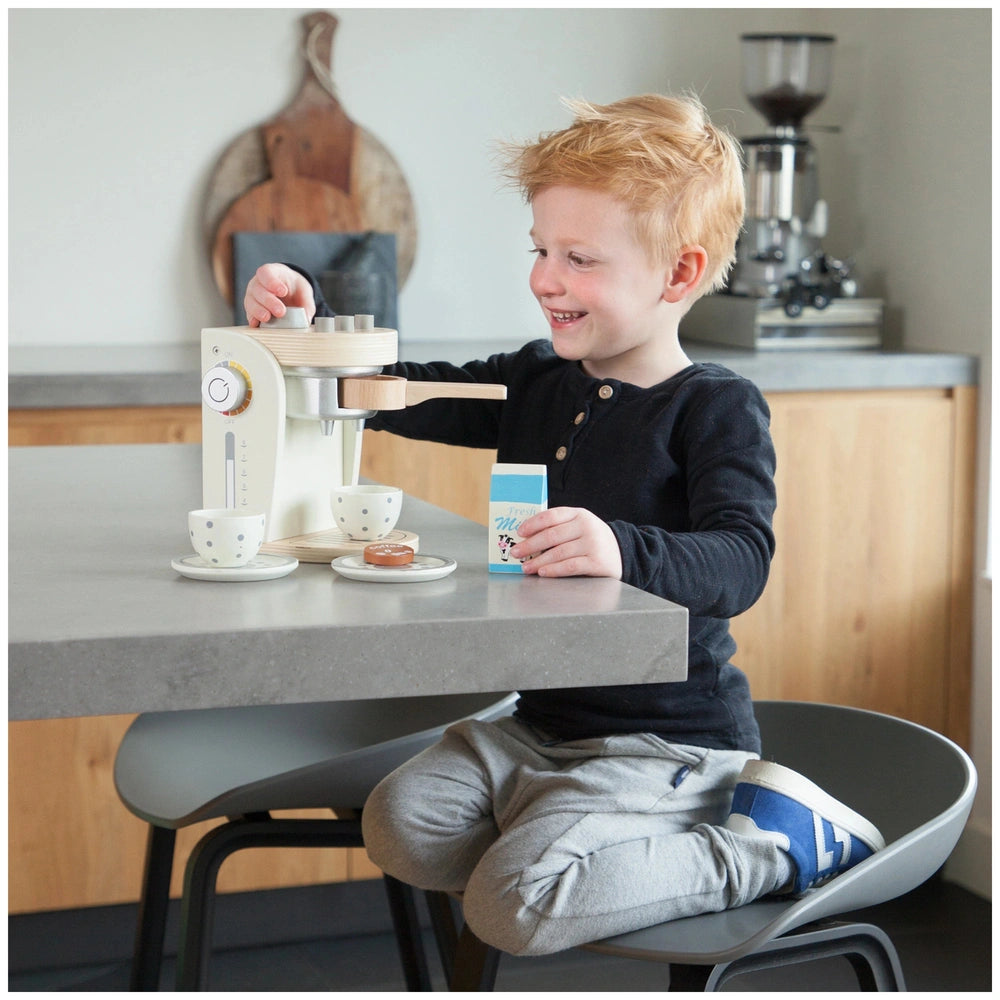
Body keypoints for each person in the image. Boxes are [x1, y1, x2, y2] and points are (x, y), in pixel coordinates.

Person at [243, 94, 884, 957]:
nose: (546, 278)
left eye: (580, 259)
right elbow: (404, 388)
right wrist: (308, 330)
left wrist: (621, 548)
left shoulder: (715, 407)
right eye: (542, 250)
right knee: (398, 826)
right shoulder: (540, 378)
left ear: (679, 275)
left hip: (668, 744)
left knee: (513, 908)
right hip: (539, 726)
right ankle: (565, 835)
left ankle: (766, 844)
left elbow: (742, 560)